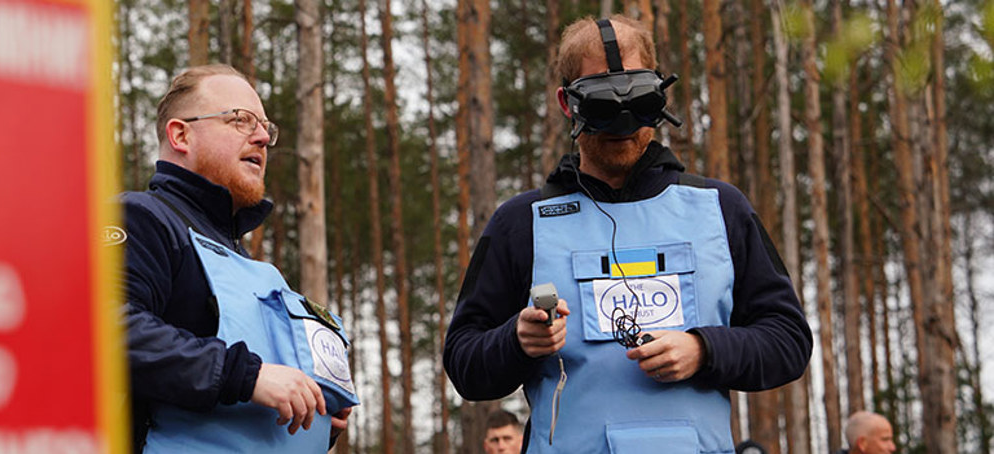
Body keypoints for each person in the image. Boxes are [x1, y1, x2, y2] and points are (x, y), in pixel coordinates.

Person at [443, 15, 812, 453]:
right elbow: (463, 361)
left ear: (659, 93)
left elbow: (789, 339)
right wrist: (517, 342)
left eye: (638, 97)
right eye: (600, 103)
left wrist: (704, 349)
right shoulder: (521, 223)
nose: (622, 121)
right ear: (568, 103)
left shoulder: (720, 209)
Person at [120, 64, 356, 453]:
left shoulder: (258, 268)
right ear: (181, 134)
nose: (263, 137)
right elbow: (104, 329)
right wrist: (246, 375)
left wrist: (315, 415)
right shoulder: (142, 218)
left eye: (265, 126)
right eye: (241, 120)